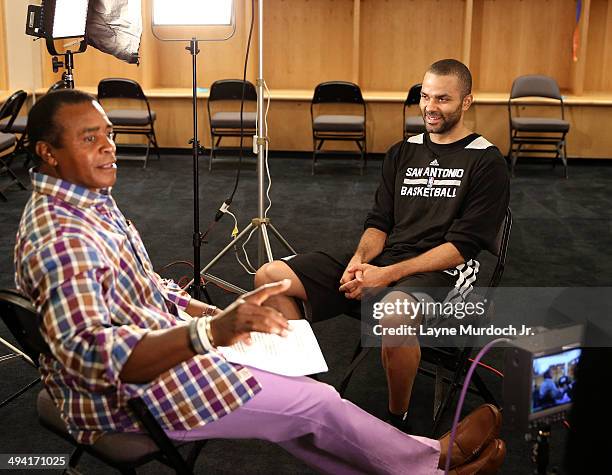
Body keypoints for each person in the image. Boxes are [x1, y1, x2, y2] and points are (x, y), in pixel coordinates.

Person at [13, 88, 505, 475]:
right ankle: (432, 463)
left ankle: (407, 462)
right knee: (315, 403)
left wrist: (201, 311)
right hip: (127, 401)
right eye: (88, 138)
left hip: (156, 354)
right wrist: (208, 334)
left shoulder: (83, 200)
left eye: (109, 132)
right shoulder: (62, 237)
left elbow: (138, 285)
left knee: (299, 402)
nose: (108, 147)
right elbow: (99, 359)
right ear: (47, 153)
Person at [255, 59, 510, 429]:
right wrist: (359, 261)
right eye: (425, 96)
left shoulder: (487, 162)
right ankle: (304, 392)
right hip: (387, 260)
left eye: (443, 99)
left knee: (394, 314)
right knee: (271, 275)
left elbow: (461, 248)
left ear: (467, 102)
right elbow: (379, 224)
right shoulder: (402, 152)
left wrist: (385, 274)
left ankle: (397, 421)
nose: (430, 107)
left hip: (446, 271)